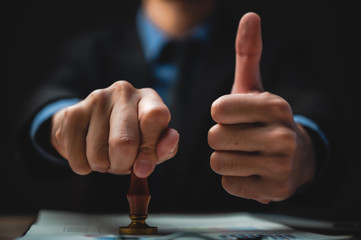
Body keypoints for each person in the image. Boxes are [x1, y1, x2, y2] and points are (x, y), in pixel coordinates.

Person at [18, 0, 333, 213]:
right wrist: (64, 127)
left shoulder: (279, 55)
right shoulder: (85, 52)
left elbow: (317, 129)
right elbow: (48, 106)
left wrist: (302, 152)